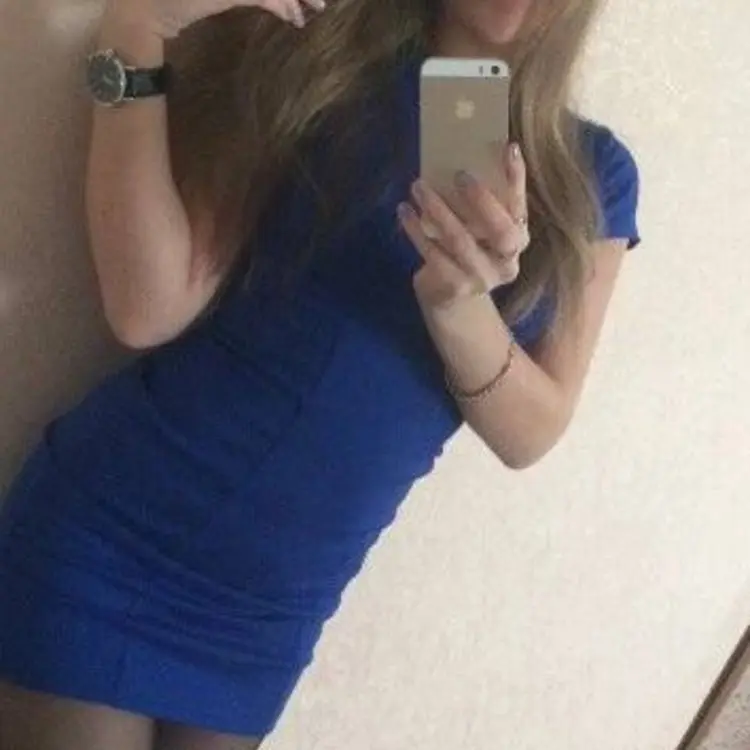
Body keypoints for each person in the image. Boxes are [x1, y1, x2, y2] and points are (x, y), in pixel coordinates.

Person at [0, 0, 641, 747]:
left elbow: (530, 433)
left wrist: (460, 306)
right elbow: (145, 309)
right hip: (109, 544)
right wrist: (133, 30)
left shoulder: (591, 179)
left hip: (264, 624)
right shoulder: (318, 66)